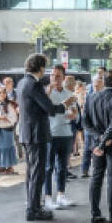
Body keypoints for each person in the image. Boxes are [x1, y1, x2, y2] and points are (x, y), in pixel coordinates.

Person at [17, 54, 75, 221]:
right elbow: (49, 108)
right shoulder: (34, 85)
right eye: (45, 68)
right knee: (38, 173)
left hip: (27, 133)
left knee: (31, 172)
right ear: (41, 68)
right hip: (37, 135)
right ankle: (34, 210)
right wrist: (65, 104)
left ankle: (32, 205)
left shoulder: (22, 83)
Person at [83, 68, 112, 223]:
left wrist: (98, 139)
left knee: (96, 178)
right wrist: (103, 141)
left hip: (96, 145)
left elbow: (85, 123)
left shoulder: (91, 98)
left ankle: (95, 214)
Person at [43, 65, 76, 209]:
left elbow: (75, 113)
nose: (54, 78)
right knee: (49, 167)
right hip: (51, 134)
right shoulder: (46, 92)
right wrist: (48, 93)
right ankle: (48, 197)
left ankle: (61, 195)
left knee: (62, 167)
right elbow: (45, 110)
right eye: (52, 75)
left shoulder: (69, 93)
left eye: (57, 76)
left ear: (63, 78)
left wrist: (73, 114)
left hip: (66, 134)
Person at [0, 87, 19, 174]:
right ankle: (1, 165)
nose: (2, 94)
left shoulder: (9, 104)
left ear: (6, 94)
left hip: (6, 130)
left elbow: (14, 118)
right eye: (0, 93)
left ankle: (10, 167)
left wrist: (3, 118)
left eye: (3, 93)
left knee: (7, 147)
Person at [80, 75, 104, 178]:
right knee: (87, 149)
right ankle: (84, 170)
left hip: (99, 129)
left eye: (98, 86)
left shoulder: (104, 98)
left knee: (98, 149)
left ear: (103, 86)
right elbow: (85, 114)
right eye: (94, 86)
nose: (96, 88)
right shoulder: (89, 97)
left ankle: (97, 170)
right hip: (89, 128)